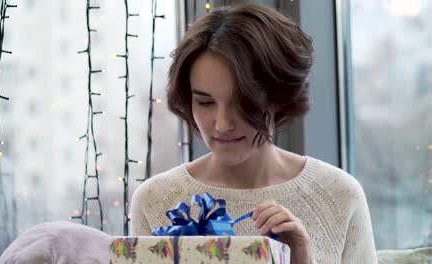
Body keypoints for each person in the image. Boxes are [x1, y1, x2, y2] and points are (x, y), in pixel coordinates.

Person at [130, 3, 377, 264]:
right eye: (205, 102)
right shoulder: (156, 200)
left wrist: (301, 258)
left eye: (242, 102)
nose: (223, 124)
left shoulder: (339, 194)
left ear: (278, 97)